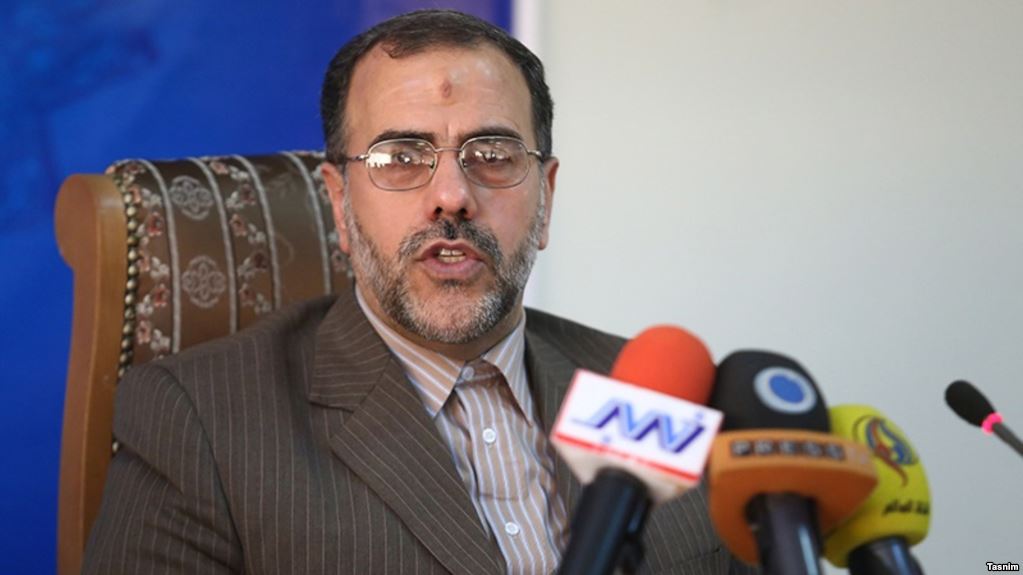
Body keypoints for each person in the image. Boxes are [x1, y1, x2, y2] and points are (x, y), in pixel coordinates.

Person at [83, 9, 756, 574]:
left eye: (493, 155)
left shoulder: (664, 397)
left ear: (546, 198)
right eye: (400, 158)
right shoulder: (200, 421)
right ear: (340, 203)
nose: (452, 196)